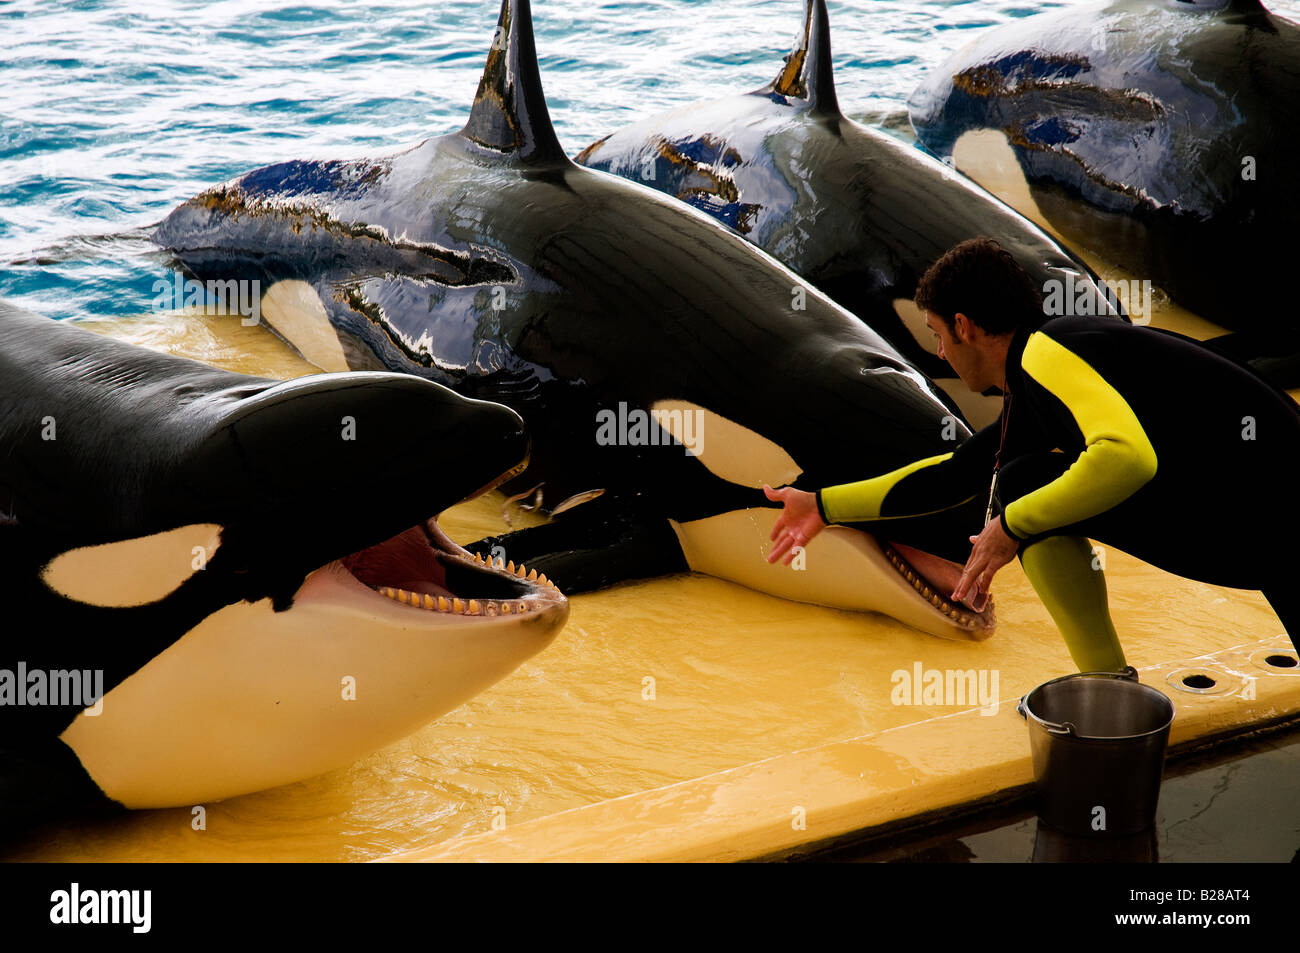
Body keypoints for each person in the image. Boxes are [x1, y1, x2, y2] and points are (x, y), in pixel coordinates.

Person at [765, 238, 1300, 669]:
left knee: (1024, 485)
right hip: (1265, 519)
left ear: (964, 326)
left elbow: (1126, 458)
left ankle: (1107, 687)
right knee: (1019, 478)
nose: (941, 353)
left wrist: (1012, 526)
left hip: (1264, 519)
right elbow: (956, 475)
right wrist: (821, 505)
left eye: (938, 336)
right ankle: (1109, 693)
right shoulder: (1052, 364)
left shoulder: (1048, 353)